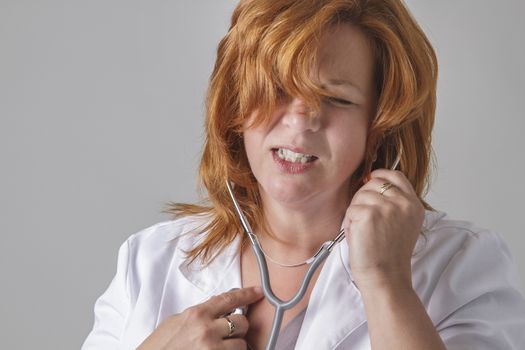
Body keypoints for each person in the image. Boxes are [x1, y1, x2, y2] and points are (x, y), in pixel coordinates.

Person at [82, 0, 525, 349]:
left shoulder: (461, 266)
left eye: (337, 99)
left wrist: (386, 283)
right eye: (277, 90)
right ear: (236, 106)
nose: (302, 121)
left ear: (380, 126)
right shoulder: (150, 261)